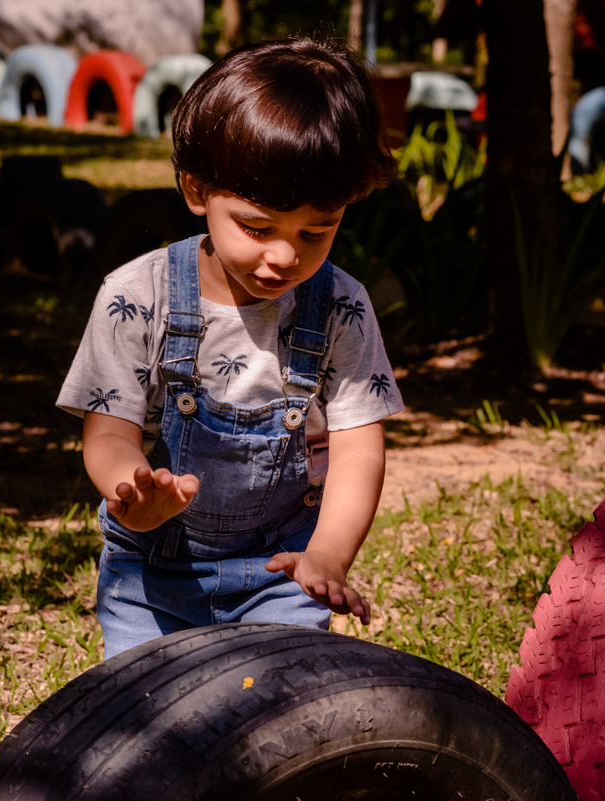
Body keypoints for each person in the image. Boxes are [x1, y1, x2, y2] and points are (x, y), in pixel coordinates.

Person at [56, 37, 403, 659]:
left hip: (280, 573)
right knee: (150, 718)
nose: (284, 255)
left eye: (316, 231)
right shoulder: (138, 294)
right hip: (151, 573)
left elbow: (358, 446)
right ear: (196, 190)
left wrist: (326, 554)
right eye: (257, 226)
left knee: (276, 718)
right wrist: (131, 489)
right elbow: (107, 431)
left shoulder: (342, 307)